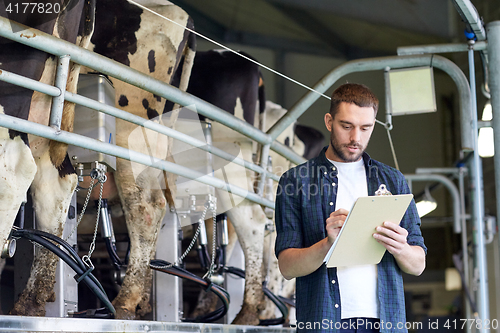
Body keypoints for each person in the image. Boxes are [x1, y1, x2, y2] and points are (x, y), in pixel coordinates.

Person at [274, 83, 426, 333]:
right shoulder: (295, 181)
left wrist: (401, 248)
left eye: (365, 128)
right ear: (329, 121)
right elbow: (287, 267)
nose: (356, 138)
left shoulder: (392, 180)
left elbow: (418, 264)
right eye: (347, 126)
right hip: (324, 323)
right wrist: (327, 244)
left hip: (385, 323)